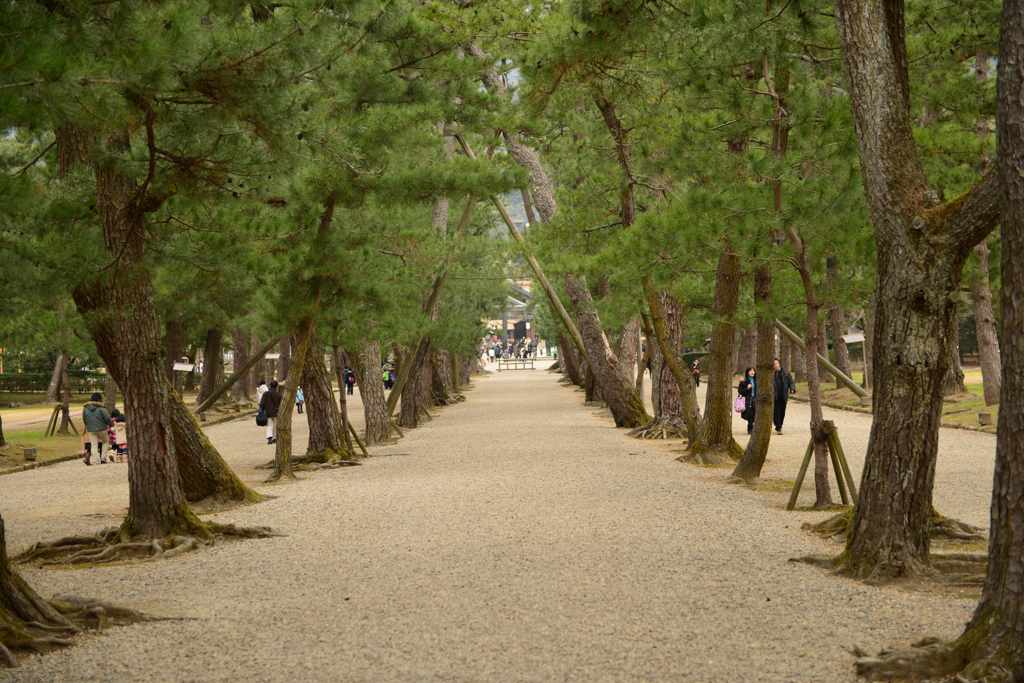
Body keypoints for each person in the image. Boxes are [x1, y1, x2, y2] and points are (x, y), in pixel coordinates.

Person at [82, 393, 113, 465]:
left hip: (91, 429)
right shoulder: (102, 408)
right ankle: (103, 458)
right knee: (105, 442)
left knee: (94, 444)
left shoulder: (85, 408)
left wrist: (88, 426)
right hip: (102, 428)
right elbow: (107, 418)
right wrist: (111, 424)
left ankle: (96, 460)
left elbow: (84, 419)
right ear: (99, 399)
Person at [771, 357, 796, 434]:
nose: (775, 365)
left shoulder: (786, 373)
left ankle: (779, 425)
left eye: (776, 363)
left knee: (782, 412)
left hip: (783, 395)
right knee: (775, 412)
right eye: (774, 364)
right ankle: (778, 426)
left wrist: (792, 389)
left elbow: (791, 382)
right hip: (774, 396)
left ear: (779, 364)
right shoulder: (771, 374)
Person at [259, 380, 282, 445]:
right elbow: (281, 404)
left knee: (269, 425)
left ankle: (269, 438)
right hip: (276, 412)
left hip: (268, 412)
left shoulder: (266, 394)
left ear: (270, 385)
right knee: (275, 425)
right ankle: (275, 438)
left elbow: (262, 404)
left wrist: (262, 410)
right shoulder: (278, 394)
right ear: (276, 386)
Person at [738, 368, 756, 435]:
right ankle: (750, 429)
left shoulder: (756, 380)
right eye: (750, 371)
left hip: (756, 400)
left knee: (755, 414)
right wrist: (747, 388)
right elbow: (740, 391)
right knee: (750, 415)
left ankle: (754, 428)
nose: (752, 372)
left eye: (753, 371)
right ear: (747, 372)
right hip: (748, 400)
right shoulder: (744, 381)